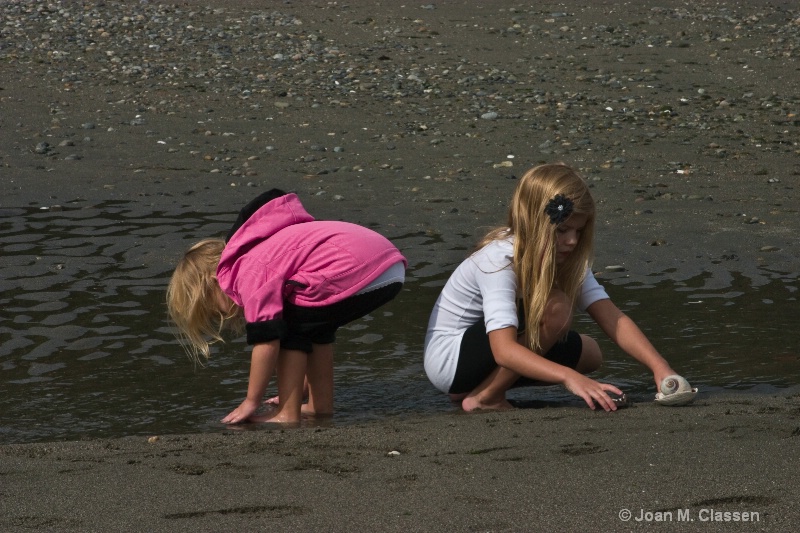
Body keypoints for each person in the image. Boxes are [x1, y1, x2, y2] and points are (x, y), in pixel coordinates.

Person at [424, 163, 680, 412]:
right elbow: (503, 351)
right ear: (532, 223)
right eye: (562, 230)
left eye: (579, 231)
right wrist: (568, 377)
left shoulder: (567, 260)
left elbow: (612, 317)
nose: (572, 241)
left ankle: (477, 389)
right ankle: (486, 397)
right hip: (449, 360)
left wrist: (660, 366)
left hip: (483, 355)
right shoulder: (499, 261)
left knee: (590, 353)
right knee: (557, 307)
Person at [167, 189, 407, 425]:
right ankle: (320, 407)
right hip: (388, 265)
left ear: (213, 281)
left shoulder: (247, 271)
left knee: (286, 326)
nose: (226, 314)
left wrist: (251, 401)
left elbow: (267, 342)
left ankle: (287, 414)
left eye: (216, 310)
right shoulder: (265, 251)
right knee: (315, 330)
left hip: (358, 267)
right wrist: (296, 385)